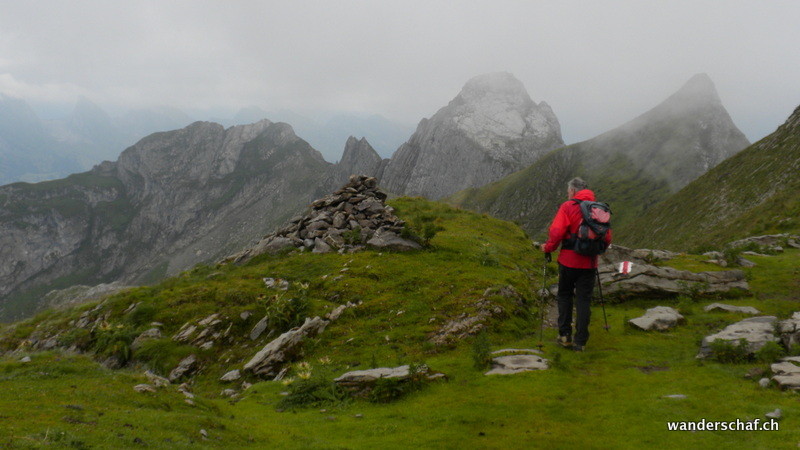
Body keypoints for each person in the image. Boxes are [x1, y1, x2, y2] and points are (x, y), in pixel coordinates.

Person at [540, 177, 612, 352]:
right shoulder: (598, 208)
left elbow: (556, 232)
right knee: (583, 300)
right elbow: (607, 237)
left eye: (568, 191)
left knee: (564, 296)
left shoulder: (568, 206)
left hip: (568, 261)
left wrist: (547, 248)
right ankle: (581, 341)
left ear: (572, 191)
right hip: (589, 263)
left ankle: (564, 336)